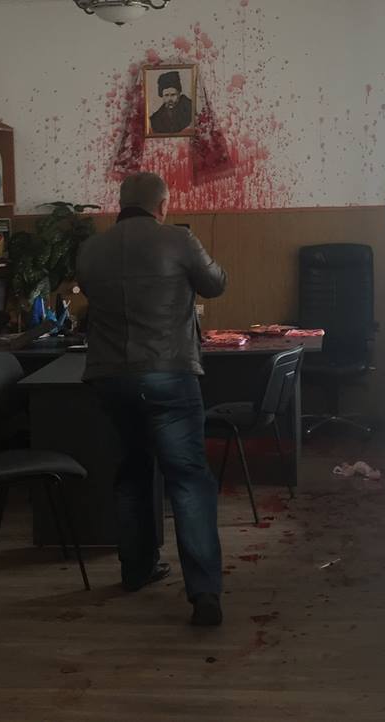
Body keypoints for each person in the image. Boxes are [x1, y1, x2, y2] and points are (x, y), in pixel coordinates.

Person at [76, 172, 226, 626]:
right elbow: (215, 284)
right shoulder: (178, 240)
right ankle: (204, 593)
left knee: (132, 472)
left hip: (110, 378)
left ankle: (136, 570)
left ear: (120, 204)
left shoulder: (91, 249)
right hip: (168, 375)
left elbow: (92, 300)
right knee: (188, 479)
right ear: (162, 205)